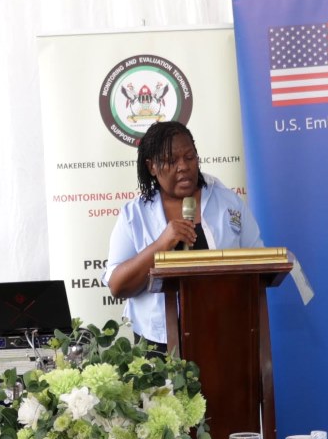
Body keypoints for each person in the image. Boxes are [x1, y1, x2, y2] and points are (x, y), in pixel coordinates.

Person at [104, 120, 262, 344]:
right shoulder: (134, 215)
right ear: (152, 167)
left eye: (190, 157)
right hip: (158, 342)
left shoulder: (227, 201)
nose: (184, 166)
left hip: (225, 333)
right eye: (171, 161)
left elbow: (259, 261)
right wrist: (161, 245)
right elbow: (117, 285)